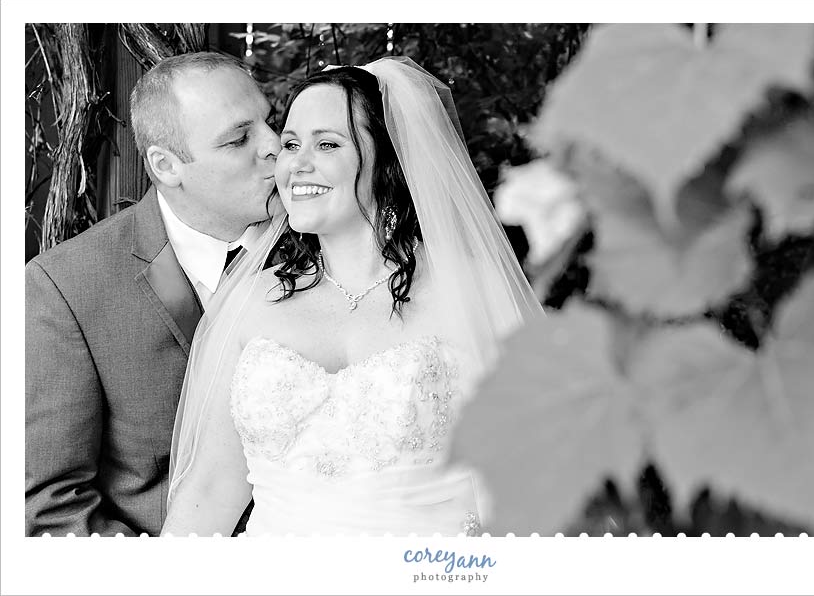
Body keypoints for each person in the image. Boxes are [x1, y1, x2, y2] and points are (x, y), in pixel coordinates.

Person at [163, 57, 544, 536]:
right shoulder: (251, 301)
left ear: (390, 159)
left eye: (327, 144)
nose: (297, 163)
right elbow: (211, 486)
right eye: (291, 144)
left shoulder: (470, 291)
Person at [25, 51, 281, 536]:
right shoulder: (65, 289)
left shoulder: (325, 249)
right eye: (239, 138)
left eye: (270, 122)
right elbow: (50, 507)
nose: (274, 146)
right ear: (166, 165)